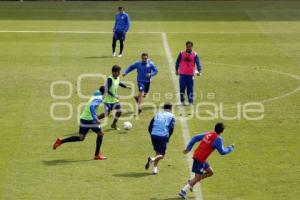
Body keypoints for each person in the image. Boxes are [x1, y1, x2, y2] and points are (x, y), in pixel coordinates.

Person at [178, 122, 235, 199]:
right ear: (222, 131)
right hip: (200, 159)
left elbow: (195, 137)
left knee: (210, 172)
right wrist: (230, 148)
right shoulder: (218, 139)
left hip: (202, 158)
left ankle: (191, 182)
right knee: (197, 177)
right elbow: (222, 152)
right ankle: (183, 191)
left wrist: (188, 148)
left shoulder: (208, 133)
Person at [53, 86, 107, 160]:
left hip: (83, 118)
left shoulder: (96, 94)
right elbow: (92, 106)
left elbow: (97, 91)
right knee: (100, 134)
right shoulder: (99, 98)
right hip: (90, 119)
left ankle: (61, 141)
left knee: (81, 138)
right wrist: (96, 118)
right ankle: (97, 155)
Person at [145, 103, 175, 175]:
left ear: (164, 108)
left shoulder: (157, 114)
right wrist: (168, 137)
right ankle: (152, 159)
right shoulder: (171, 116)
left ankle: (155, 169)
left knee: (158, 152)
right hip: (162, 136)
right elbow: (171, 128)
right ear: (170, 109)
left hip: (153, 135)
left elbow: (150, 126)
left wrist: (152, 134)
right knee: (162, 155)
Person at [98, 65, 131, 130]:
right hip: (108, 100)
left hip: (114, 100)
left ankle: (113, 124)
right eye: (118, 72)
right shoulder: (110, 79)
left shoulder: (117, 77)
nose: (119, 73)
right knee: (106, 113)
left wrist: (126, 86)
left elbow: (119, 82)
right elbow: (106, 89)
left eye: (119, 72)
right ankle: (94, 120)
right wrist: (114, 95)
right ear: (113, 72)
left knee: (119, 112)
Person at [175, 41, 202, 105]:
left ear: (192, 46)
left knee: (190, 88)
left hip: (190, 75)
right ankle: (182, 101)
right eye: (187, 46)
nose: (189, 47)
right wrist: (176, 70)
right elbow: (177, 62)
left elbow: (198, 63)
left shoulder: (195, 54)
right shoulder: (182, 53)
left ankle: (190, 101)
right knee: (182, 88)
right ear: (186, 46)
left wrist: (199, 70)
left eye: (190, 46)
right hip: (182, 74)